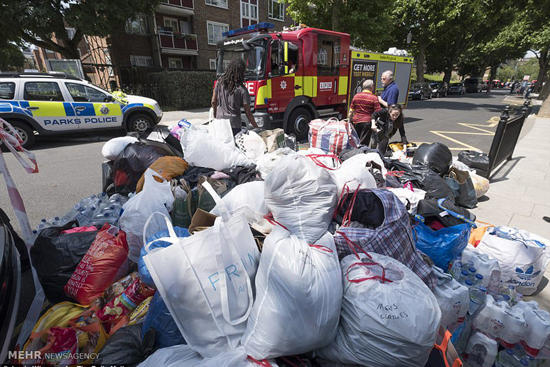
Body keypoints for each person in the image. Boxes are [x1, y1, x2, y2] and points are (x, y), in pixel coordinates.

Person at [211, 59, 258, 135]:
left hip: (220, 123)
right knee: (233, 146)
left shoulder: (219, 82)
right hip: (234, 125)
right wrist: (257, 128)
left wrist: (215, 116)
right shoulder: (242, 90)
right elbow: (248, 113)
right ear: (242, 73)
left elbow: (213, 101)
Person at [349, 79, 380, 146]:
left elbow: (351, 111)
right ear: (371, 86)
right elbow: (378, 112)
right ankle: (362, 154)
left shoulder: (356, 96)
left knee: (355, 140)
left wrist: (350, 121)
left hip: (356, 121)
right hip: (367, 122)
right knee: (363, 143)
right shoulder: (374, 98)